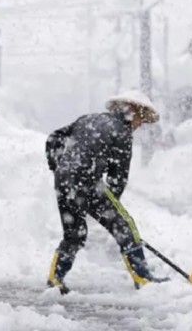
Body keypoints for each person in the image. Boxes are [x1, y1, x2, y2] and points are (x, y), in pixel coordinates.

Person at [45, 89, 169, 294]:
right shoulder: (122, 131)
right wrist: (111, 210)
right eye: (140, 119)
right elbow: (118, 177)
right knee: (125, 225)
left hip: (64, 180)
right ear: (132, 111)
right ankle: (142, 277)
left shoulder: (88, 119)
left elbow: (53, 138)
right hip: (88, 180)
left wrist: (58, 166)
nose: (139, 125)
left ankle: (55, 278)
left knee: (74, 233)